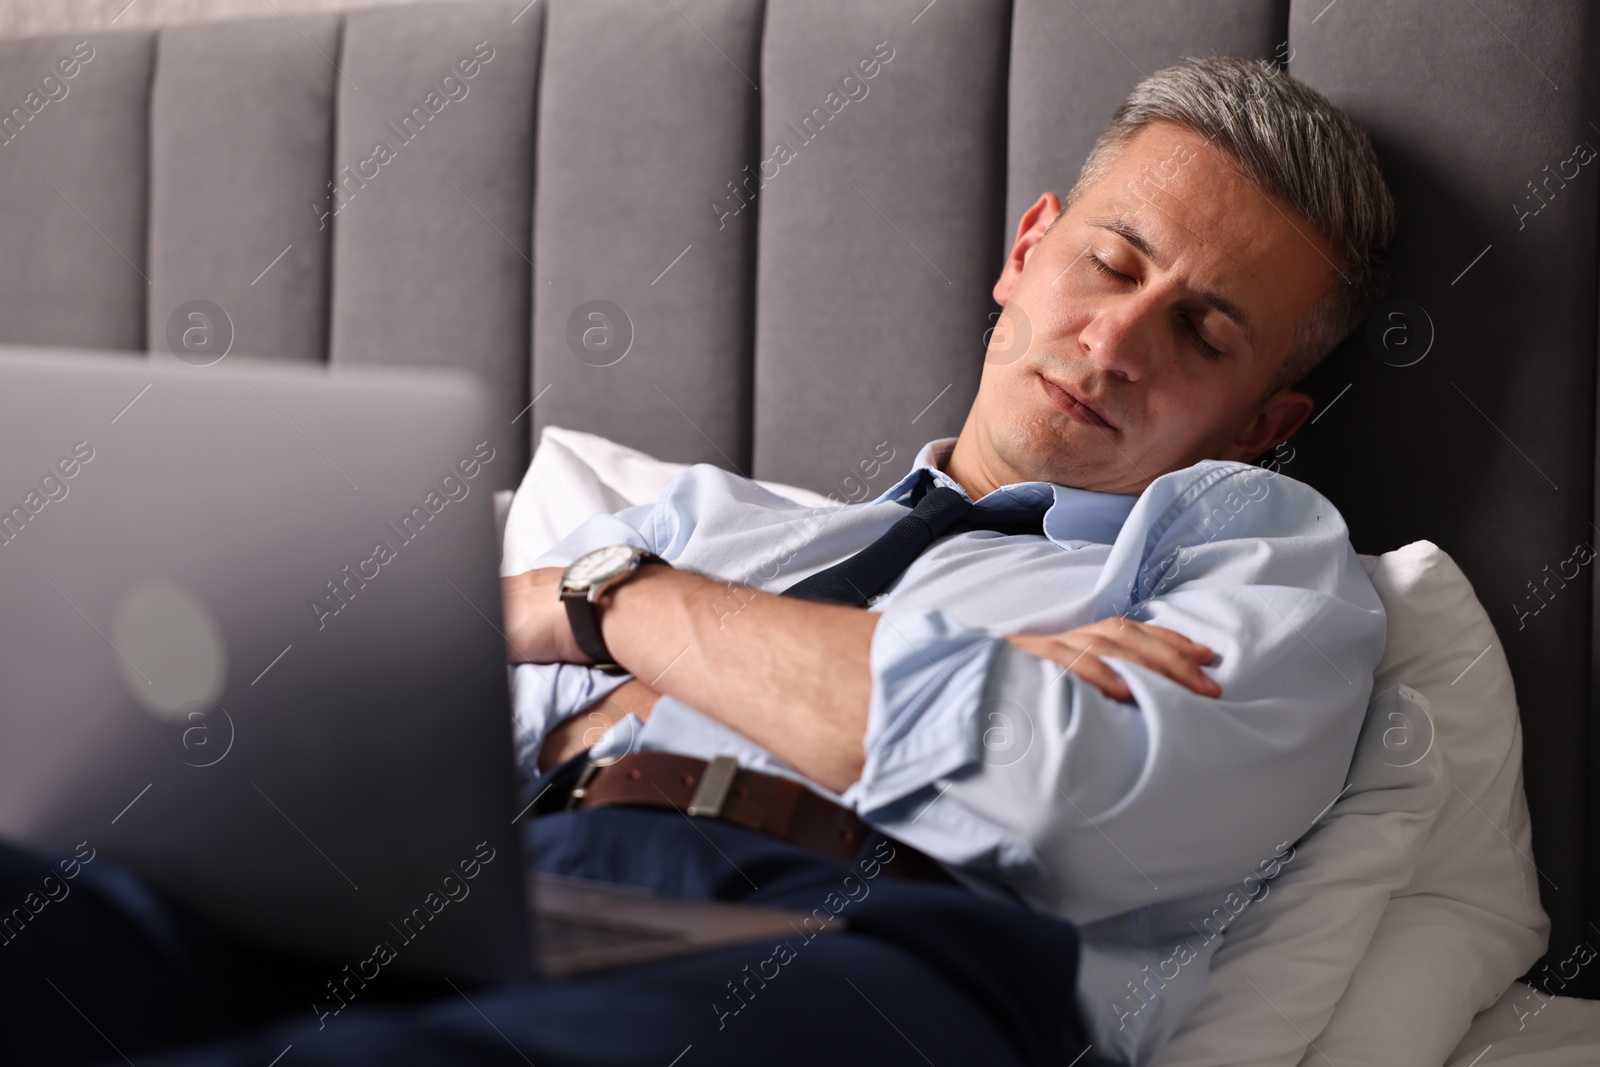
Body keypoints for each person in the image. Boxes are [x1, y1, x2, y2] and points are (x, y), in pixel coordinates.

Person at [2, 56, 1394, 1067]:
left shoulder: (1255, 565)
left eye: (1206, 333)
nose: (1119, 341)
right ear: (1027, 254)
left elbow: (1056, 799)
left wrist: (612, 610)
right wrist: (908, 678)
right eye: (1110, 262)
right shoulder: (721, 527)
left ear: (1268, 423)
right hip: (502, 891)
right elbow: (337, 723)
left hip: (864, 948)